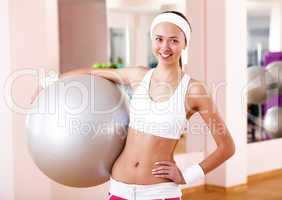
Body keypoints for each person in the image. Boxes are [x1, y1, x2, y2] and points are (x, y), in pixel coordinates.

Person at [31, 11, 235, 200]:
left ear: (184, 43)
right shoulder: (138, 75)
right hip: (119, 189)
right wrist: (49, 83)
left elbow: (227, 147)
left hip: (158, 192)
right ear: (152, 40)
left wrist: (188, 175)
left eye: (174, 40)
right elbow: (91, 73)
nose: (165, 47)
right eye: (159, 39)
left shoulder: (194, 90)